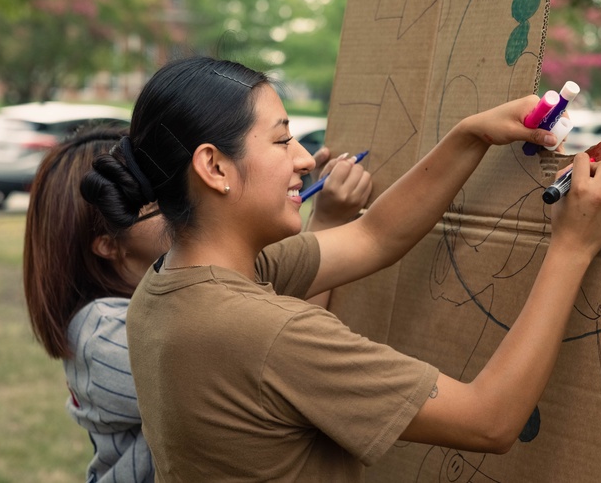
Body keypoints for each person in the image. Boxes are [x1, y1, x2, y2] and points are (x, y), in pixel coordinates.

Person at [81, 56, 601, 482]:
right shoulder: (264, 332)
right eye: (280, 139)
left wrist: (471, 135)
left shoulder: (168, 283)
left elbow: (374, 235)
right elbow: (490, 419)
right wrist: (571, 248)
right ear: (214, 167)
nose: (303, 158)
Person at [23, 124, 369, 483]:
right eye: (160, 197)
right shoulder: (103, 335)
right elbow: (278, 361)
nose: (185, 200)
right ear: (107, 244)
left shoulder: (175, 289)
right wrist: (327, 220)